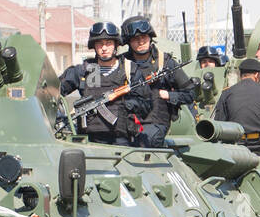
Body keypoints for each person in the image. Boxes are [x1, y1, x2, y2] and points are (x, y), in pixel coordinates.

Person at [59, 22, 150, 145]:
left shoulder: (129, 70)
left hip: (121, 140)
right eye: (100, 44)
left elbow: (146, 104)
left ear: (115, 45)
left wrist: (125, 105)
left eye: (108, 43)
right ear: (94, 46)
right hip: (88, 139)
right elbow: (55, 90)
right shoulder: (86, 70)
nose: (104, 48)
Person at [121, 14, 192, 148]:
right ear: (128, 42)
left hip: (154, 123)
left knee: (146, 143)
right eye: (136, 39)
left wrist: (169, 95)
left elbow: (190, 93)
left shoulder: (165, 63)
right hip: (125, 122)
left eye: (144, 37)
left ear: (150, 37)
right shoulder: (122, 63)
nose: (141, 41)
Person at [213, 58, 260, 153]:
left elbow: (219, 121)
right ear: (257, 75)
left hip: (236, 146)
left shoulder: (227, 93)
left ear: (240, 75)